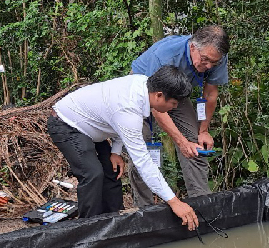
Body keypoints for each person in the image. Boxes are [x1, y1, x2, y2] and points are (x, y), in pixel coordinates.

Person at [47, 65, 199, 228]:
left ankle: (115, 224)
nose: (174, 108)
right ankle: (88, 229)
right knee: (93, 174)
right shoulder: (128, 108)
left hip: (93, 126)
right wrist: (174, 202)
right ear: (159, 95)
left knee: (112, 171)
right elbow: (143, 163)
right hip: (66, 124)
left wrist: (116, 152)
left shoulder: (142, 85)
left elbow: (116, 119)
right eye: (174, 103)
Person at [129, 25, 229, 204]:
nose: (208, 66)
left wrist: (203, 131)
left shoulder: (216, 55)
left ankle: (202, 204)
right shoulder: (166, 55)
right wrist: (180, 142)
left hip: (178, 93)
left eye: (213, 63)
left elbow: (210, 94)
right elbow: (156, 106)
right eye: (205, 60)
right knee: (140, 147)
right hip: (143, 91)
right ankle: (144, 211)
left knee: (195, 143)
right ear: (192, 47)